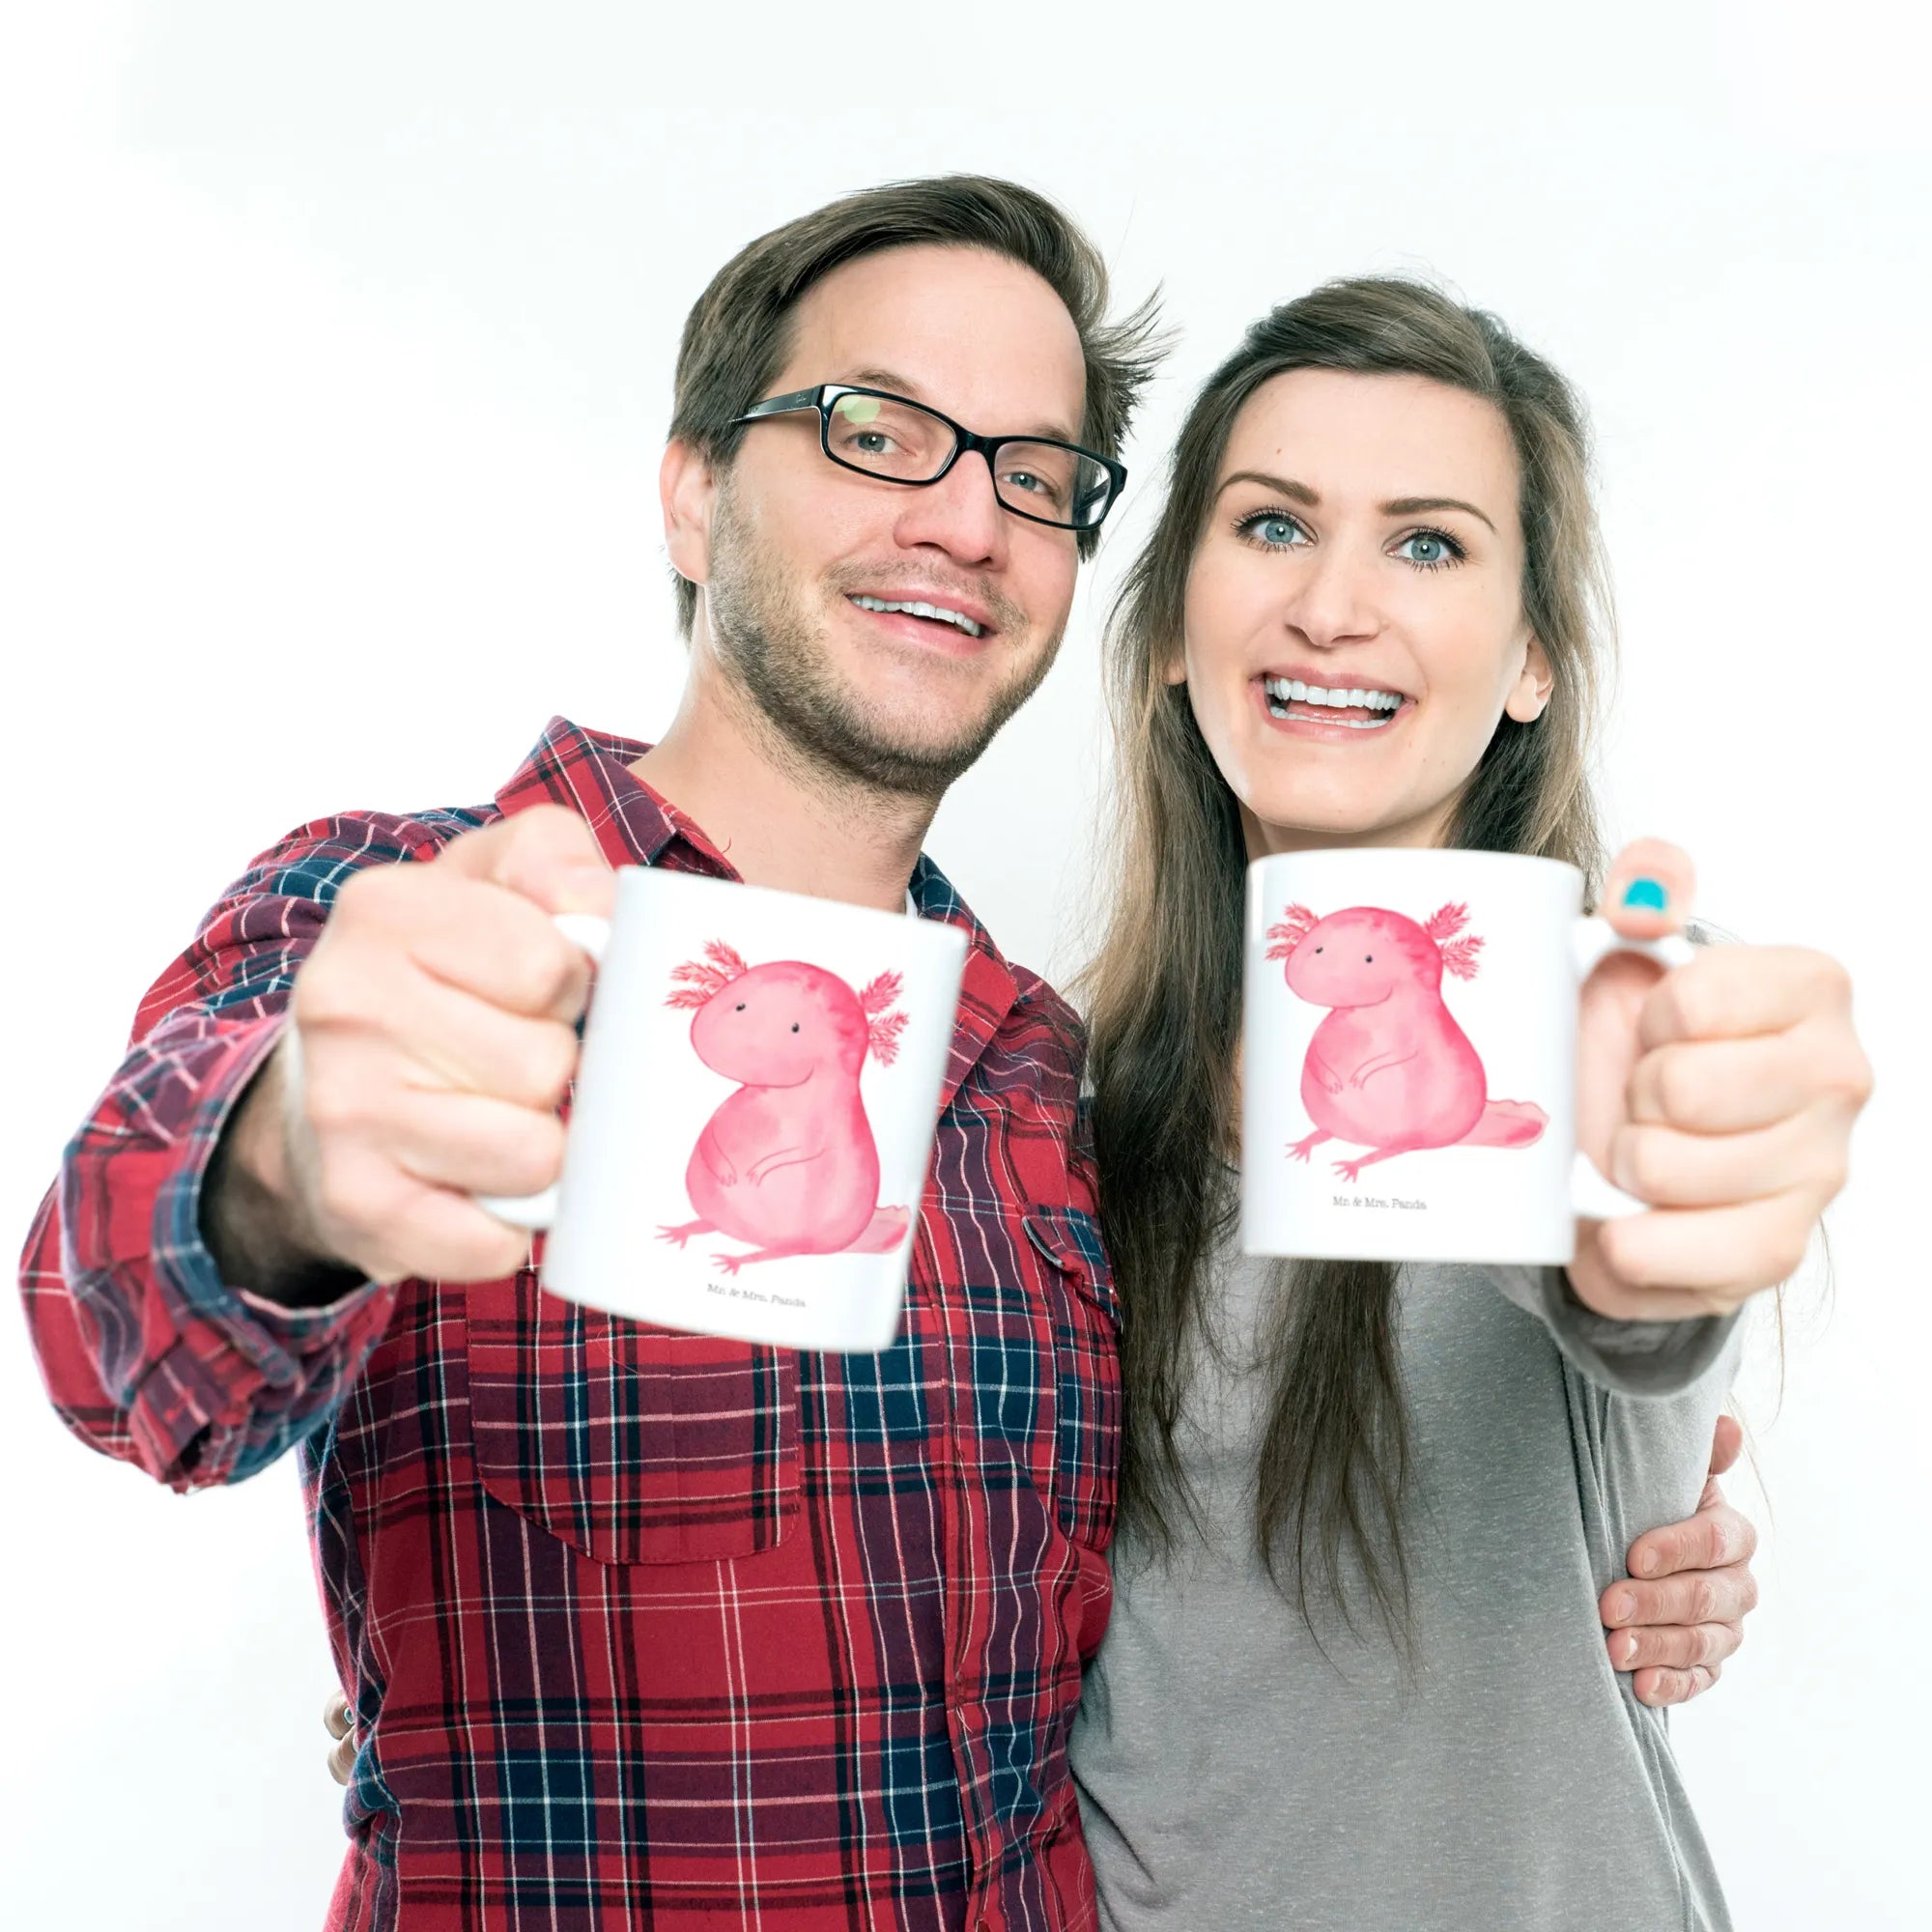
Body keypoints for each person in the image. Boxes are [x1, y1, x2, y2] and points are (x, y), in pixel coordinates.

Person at [22, 178, 1766, 1931]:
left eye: (1033, 474)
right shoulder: (405, 920)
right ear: (694, 490)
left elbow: (1267, 1577)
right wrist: (286, 1166)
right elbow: (117, 1332)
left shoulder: (1045, 1085)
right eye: (878, 432)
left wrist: (1638, 1496)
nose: (963, 519)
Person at [1068, 277, 1872, 1929]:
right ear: (1166, 629)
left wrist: (1670, 1212)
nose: (1333, 607)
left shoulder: (1605, 1023)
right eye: (1273, 526)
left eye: (1427, 545)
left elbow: (1636, 1288)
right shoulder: (1061, 1102)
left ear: (1530, 663)